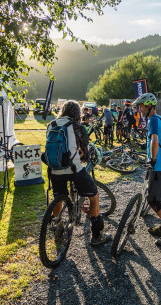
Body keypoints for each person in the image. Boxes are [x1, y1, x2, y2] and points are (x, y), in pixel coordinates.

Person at [46, 100, 111, 245]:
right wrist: (81, 155)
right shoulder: (77, 126)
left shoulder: (51, 125)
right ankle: (97, 235)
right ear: (77, 113)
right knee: (94, 196)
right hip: (74, 170)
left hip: (54, 171)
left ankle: (55, 224)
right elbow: (86, 154)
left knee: (60, 198)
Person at [133, 93, 161, 246]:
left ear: (149, 105)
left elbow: (155, 140)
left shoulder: (152, 120)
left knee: (152, 199)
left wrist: (152, 160)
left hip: (158, 166)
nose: (140, 108)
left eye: (142, 106)